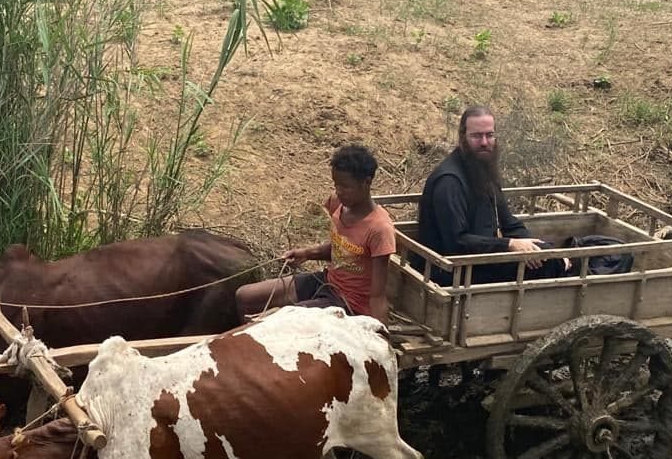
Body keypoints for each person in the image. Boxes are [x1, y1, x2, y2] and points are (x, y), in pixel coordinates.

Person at [235, 144, 396, 325]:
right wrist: (307, 253)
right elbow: (342, 250)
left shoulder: (379, 229)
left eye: (345, 186)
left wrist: (379, 332)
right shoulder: (338, 204)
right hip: (326, 281)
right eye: (336, 184)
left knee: (280, 322)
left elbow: (377, 296)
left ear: (366, 182)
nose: (338, 191)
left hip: (349, 304)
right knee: (245, 296)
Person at [416, 106, 566, 285]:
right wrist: (509, 245)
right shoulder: (450, 181)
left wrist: (532, 247)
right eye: (476, 136)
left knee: (550, 255)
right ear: (462, 137)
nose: (484, 142)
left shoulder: (483, 169)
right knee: (551, 265)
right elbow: (456, 243)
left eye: (489, 135)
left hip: (482, 258)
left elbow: (508, 222)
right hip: (451, 270)